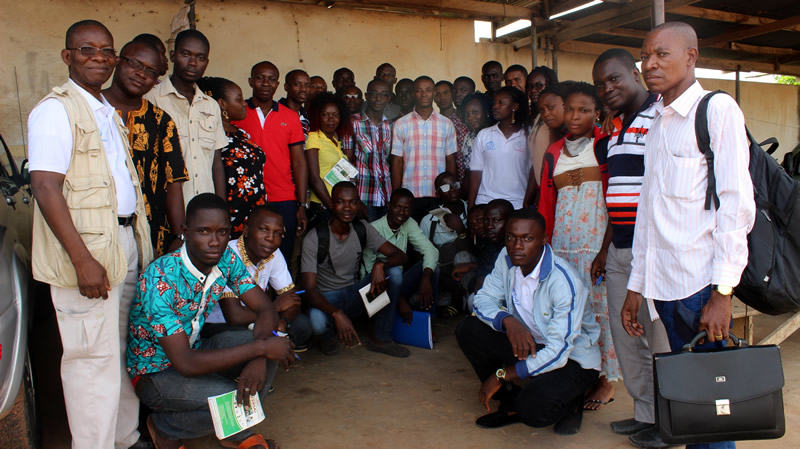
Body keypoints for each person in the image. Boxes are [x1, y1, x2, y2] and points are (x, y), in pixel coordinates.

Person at [623, 22, 755, 449]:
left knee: (714, 403)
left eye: (662, 54)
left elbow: (736, 207)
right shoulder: (658, 121)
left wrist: (723, 292)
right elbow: (649, 214)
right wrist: (636, 287)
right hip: (665, 288)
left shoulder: (716, 111)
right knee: (692, 404)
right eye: (645, 56)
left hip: (701, 287)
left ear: (691, 57)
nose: (650, 64)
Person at [28, 20, 153, 449]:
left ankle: (124, 437)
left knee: (117, 352)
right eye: (86, 49)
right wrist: (83, 260)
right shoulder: (55, 110)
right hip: (88, 253)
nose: (98, 57)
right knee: (89, 361)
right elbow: (45, 186)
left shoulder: (104, 112)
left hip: (121, 245)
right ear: (68, 57)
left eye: (106, 51)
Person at [127, 194, 295, 449]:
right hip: (156, 374)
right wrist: (260, 348)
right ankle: (164, 427)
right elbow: (184, 363)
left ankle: (234, 429)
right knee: (232, 394)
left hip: (197, 350)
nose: (214, 242)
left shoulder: (226, 259)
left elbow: (264, 307)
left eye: (222, 232)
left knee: (271, 348)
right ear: (185, 231)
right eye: (203, 231)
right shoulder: (160, 279)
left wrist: (260, 356)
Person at [456, 208, 601, 436]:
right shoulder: (506, 259)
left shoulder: (564, 282)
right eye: (511, 237)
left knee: (533, 410)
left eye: (527, 238)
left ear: (544, 240)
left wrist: (500, 375)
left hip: (572, 358)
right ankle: (510, 402)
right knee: (469, 330)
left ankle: (571, 401)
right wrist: (508, 320)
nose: (517, 246)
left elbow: (558, 351)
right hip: (533, 343)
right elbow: (483, 299)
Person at [590, 48, 671, 448]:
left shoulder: (661, 116)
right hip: (621, 248)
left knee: (657, 342)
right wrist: (607, 247)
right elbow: (616, 195)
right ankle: (645, 415)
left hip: (652, 251)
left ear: (636, 73)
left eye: (615, 79)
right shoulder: (617, 125)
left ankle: (668, 423)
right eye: (600, 84)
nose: (607, 89)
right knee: (628, 338)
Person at [538, 82, 620, 412]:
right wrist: (546, 250)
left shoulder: (606, 147)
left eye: (584, 110)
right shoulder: (553, 152)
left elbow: (617, 202)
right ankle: (578, 370)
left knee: (602, 311)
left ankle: (607, 378)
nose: (575, 116)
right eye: (570, 109)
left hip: (597, 247)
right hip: (562, 247)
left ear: (597, 113)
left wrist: (605, 251)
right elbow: (546, 204)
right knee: (572, 309)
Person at [301, 182, 409, 357]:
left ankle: (381, 338)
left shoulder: (362, 228)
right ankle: (327, 335)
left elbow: (400, 255)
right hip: (327, 298)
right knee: (317, 321)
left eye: (352, 202)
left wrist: (380, 264)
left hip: (353, 295)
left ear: (359, 204)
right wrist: (336, 313)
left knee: (394, 273)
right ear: (331, 203)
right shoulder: (315, 238)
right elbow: (309, 291)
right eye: (341, 202)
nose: (347, 208)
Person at [103, 39, 189, 257]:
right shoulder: (90, 110)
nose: (141, 74)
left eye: (151, 71)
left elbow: (174, 183)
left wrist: (180, 236)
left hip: (150, 235)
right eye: (135, 63)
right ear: (117, 62)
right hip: (95, 230)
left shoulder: (161, 122)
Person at [203, 206, 312, 351]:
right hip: (221, 324)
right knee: (245, 338)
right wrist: (275, 308)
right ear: (246, 230)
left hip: (258, 318)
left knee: (302, 325)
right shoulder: (228, 256)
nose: (270, 238)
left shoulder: (273, 253)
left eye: (277, 233)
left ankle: (271, 345)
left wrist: (282, 323)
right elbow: (234, 316)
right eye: (263, 229)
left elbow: (292, 300)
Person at [232, 61, 308, 260]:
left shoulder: (290, 117)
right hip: (246, 198)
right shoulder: (237, 113)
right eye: (260, 78)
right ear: (251, 81)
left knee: (281, 256)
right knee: (245, 258)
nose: (266, 83)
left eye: (271, 79)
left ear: (277, 84)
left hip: (283, 198)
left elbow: (299, 163)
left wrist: (302, 204)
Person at [145, 29, 228, 206]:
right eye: (185, 54)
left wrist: (220, 207)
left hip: (203, 209)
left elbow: (216, 163)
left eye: (200, 58)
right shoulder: (151, 99)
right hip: (163, 206)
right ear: (173, 56)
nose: (192, 63)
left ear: (207, 62)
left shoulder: (211, 105)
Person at [197, 76, 267, 239]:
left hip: (254, 214)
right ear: (221, 104)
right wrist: (221, 213)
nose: (244, 103)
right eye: (239, 99)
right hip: (230, 215)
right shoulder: (212, 136)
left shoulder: (242, 134)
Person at [363, 188, 440, 324]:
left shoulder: (409, 223)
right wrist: (399, 299)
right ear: (389, 206)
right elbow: (369, 273)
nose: (402, 213)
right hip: (376, 289)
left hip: (398, 284)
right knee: (394, 273)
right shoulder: (374, 229)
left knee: (432, 268)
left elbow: (431, 250)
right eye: (398, 207)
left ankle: (427, 322)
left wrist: (426, 277)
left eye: (406, 209)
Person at [391, 76, 457, 221]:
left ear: (434, 93)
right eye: (419, 91)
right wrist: (396, 195)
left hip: (438, 195)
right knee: (411, 238)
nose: (424, 94)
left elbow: (450, 160)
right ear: (414, 94)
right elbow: (397, 162)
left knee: (437, 237)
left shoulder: (446, 124)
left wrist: (451, 192)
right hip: (410, 195)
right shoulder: (401, 124)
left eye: (428, 90)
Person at [469, 86, 536, 210]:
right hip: (486, 201)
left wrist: (526, 202)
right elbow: (476, 172)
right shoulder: (484, 134)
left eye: (501, 103)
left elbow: (534, 172)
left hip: (517, 204)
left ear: (514, 106)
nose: (495, 106)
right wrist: (471, 205)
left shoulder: (529, 135)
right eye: (494, 103)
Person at [420, 172, 473, 313]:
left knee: (462, 256)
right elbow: (423, 256)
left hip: (468, 269)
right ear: (437, 193)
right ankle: (457, 298)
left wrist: (461, 230)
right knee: (418, 300)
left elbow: (476, 250)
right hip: (444, 275)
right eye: (445, 188)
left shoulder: (472, 210)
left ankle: (465, 300)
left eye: (455, 185)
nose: (452, 190)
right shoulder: (428, 220)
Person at [342, 79, 394, 222]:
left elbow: (390, 162)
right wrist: (355, 199)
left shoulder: (390, 126)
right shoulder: (352, 123)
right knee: (366, 241)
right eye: (374, 94)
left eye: (383, 95)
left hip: (386, 197)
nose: (378, 99)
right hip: (364, 196)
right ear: (366, 96)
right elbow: (346, 163)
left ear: (389, 98)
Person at [305, 93, 353, 226]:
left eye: (335, 115)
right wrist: (332, 206)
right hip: (323, 206)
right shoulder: (314, 137)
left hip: (339, 206)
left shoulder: (337, 141)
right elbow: (314, 178)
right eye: (325, 114)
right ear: (317, 116)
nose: (331, 119)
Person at [527, 66, 560, 187]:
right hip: (540, 188)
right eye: (530, 86)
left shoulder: (554, 119)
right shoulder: (538, 118)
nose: (533, 90)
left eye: (539, 85)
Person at [531, 82, 568, 186]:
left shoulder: (578, 136)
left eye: (551, 107)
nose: (546, 114)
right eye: (542, 110)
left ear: (566, 104)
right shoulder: (548, 131)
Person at [456, 92, 493, 194]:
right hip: (477, 193)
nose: (470, 118)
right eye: (467, 114)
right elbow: (469, 172)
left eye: (475, 112)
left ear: (486, 112)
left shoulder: (496, 135)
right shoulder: (469, 137)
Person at [474, 199, 513, 294]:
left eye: (496, 220)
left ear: (510, 221)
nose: (489, 226)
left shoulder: (519, 247)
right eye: (486, 221)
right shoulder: (488, 246)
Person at [435, 80, 470, 162]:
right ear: (434, 98)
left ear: (452, 94)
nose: (442, 97)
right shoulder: (433, 123)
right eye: (438, 94)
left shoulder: (463, 119)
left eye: (445, 93)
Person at [279, 69, 311, 138]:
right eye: (297, 84)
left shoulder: (305, 116)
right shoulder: (276, 112)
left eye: (307, 85)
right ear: (286, 87)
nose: (303, 89)